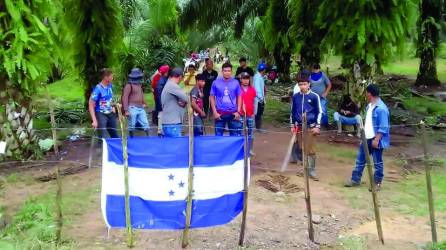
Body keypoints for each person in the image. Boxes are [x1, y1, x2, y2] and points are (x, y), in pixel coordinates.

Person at [345, 84, 390, 191]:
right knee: (360, 160)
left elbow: (383, 127)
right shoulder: (369, 106)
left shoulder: (381, 109)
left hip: (375, 139)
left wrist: (377, 139)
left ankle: (377, 183)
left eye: (366, 93)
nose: (365, 94)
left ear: (369, 94)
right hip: (367, 138)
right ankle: (355, 179)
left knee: (377, 162)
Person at [291, 72, 322, 180]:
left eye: (304, 84)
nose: (302, 86)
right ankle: (304, 169)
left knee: (311, 149)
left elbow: (319, 112)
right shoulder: (295, 97)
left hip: (311, 126)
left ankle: (312, 171)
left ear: (309, 84)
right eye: (300, 84)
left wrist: (317, 126)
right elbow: (293, 111)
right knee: (302, 148)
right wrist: (292, 125)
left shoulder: (314, 96)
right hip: (299, 126)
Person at [210, 62, 242, 136]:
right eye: (225, 71)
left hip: (233, 114)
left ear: (231, 71)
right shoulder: (215, 82)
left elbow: (239, 96)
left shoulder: (236, 82)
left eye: (229, 71)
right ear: (222, 71)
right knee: (218, 137)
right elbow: (211, 97)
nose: (227, 73)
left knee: (234, 136)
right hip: (220, 114)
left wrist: (239, 111)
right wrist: (214, 112)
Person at [89, 68, 119, 139]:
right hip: (101, 114)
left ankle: (117, 149)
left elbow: (110, 98)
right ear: (106, 77)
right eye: (111, 76)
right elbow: (90, 105)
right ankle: (101, 149)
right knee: (103, 137)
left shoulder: (110, 86)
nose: (112, 77)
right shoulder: (98, 89)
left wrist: (113, 106)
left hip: (110, 113)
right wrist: (94, 120)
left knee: (115, 135)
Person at [161, 68, 189, 137]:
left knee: (170, 146)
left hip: (170, 123)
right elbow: (187, 98)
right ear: (180, 77)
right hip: (172, 124)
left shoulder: (169, 84)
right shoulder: (172, 85)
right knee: (176, 146)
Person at [122, 68, 150, 137]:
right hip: (132, 107)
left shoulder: (139, 85)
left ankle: (148, 137)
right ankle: (131, 138)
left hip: (140, 107)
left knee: (145, 123)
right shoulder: (129, 85)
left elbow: (141, 94)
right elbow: (124, 97)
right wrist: (126, 110)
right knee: (132, 124)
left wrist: (145, 103)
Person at [240, 72, 257, 155]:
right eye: (244, 78)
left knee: (250, 133)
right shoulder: (238, 89)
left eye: (247, 78)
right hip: (240, 114)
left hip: (250, 114)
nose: (246, 80)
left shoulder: (252, 89)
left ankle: (249, 149)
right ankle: (240, 149)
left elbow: (254, 101)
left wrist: (254, 112)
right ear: (241, 79)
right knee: (240, 132)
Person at [155, 68, 169, 136]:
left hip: (162, 101)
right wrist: (161, 103)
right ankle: (160, 131)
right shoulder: (162, 80)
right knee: (161, 115)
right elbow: (159, 92)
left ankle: (162, 130)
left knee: (162, 115)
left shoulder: (163, 79)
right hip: (161, 101)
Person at [253, 63, 266, 131]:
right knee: (258, 113)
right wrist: (261, 98)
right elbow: (257, 89)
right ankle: (258, 128)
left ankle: (258, 127)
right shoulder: (258, 77)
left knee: (259, 113)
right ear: (263, 70)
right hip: (258, 99)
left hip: (259, 98)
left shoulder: (259, 76)